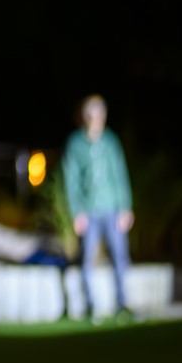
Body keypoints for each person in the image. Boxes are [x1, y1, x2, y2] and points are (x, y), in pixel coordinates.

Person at [62, 93, 133, 319]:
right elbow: (71, 180)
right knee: (87, 258)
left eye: (99, 114)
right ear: (84, 117)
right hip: (89, 210)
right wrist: (77, 212)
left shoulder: (111, 142)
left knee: (120, 255)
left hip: (112, 209)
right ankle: (91, 306)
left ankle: (122, 303)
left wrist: (125, 207)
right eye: (91, 114)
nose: (95, 119)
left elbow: (119, 174)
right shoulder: (75, 144)